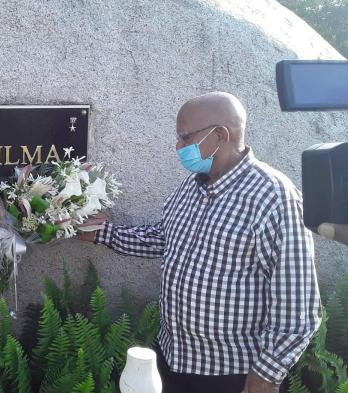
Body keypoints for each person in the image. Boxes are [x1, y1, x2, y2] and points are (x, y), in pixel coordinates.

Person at [80, 92, 321, 393]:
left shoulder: (273, 197)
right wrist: (101, 233)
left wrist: (267, 375)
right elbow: (163, 239)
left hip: (233, 375)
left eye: (184, 138)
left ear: (220, 135)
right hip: (174, 360)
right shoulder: (189, 188)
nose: (178, 147)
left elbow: (297, 302)